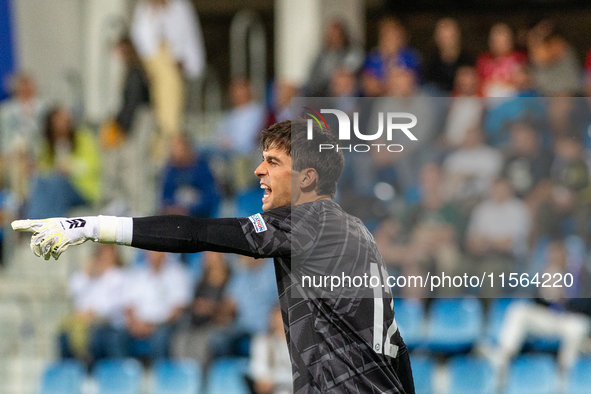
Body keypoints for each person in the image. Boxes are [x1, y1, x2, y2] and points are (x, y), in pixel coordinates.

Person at [14, 119, 415, 394]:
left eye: (273, 162)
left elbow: (195, 232)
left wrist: (93, 227)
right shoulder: (354, 230)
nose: (258, 171)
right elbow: (394, 343)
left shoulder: (309, 222)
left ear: (307, 177)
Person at [131, 0, 206, 138]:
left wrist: (184, 61)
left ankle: (170, 141)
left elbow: (190, 38)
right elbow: (139, 40)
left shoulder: (181, 7)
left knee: (172, 115)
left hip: (173, 68)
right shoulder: (144, 8)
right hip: (152, 68)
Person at [26, 107, 101, 219]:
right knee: (40, 180)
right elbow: (44, 169)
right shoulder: (48, 145)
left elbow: (94, 165)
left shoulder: (82, 138)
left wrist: (71, 167)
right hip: (57, 190)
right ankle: (35, 220)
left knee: (59, 182)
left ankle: (55, 223)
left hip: (82, 189)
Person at [59, 244, 126, 364]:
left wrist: (93, 313)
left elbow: (114, 305)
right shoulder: (91, 276)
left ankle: (92, 370)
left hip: (109, 325)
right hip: (87, 322)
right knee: (65, 337)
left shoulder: (118, 275)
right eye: (101, 254)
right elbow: (73, 291)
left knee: (96, 339)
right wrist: (86, 273)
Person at [160, 134, 220, 218]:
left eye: (179, 149)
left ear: (188, 148)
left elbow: (211, 200)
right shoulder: (170, 171)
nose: (175, 153)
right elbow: (164, 199)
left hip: (200, 221)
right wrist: (173, 209)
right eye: (173, 149)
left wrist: (188, 210)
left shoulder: (202, 169)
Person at [246, 306, 293, 394]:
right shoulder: (262, 341)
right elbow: (260, 375)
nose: (281, 321)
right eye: (278, 317)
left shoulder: (302, 344)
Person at [425, 18, 473, 94]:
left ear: (457, 35)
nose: (446, 41)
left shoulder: (468, 60)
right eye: (443, 37)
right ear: (436, 38)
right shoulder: (430, 62)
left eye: (450, 36)